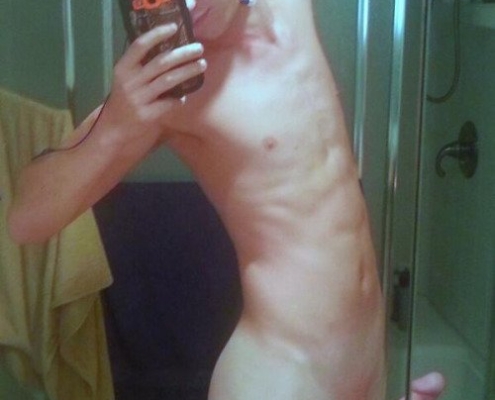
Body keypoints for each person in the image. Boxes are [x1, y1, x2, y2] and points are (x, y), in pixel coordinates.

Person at [8, 0, 446, 399]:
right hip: (281, 375)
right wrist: (117, 125)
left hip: (366, 358)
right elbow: (25, 220)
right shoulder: (173, 84)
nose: (189, 4)